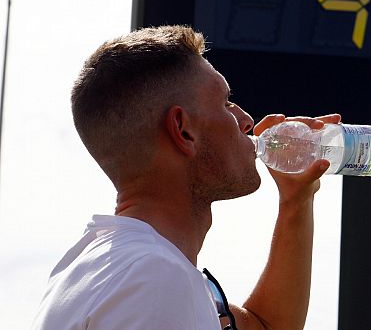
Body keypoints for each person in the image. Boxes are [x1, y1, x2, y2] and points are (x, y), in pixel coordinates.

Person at [31, 25, 339, 330]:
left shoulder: (100, 266)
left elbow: (265, 325)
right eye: (226, 103)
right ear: (183, 130)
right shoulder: (155, 278)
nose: (246, 120)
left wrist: (296, 201)